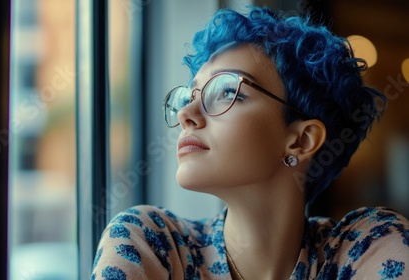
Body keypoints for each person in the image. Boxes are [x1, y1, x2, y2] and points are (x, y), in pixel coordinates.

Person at [91, 7, 409, 280]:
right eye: (190, 96)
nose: (186, 114)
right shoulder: (152, 243)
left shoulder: (368, 245)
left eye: (228, 92)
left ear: (301, 140)